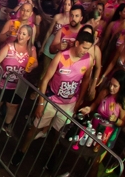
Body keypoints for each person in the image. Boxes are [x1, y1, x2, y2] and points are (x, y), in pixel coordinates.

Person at [14, 25, 96, 164]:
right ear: (77, 43)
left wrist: (79, 101)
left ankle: (52, 157)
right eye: (84, 47)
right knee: (35, 127)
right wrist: (41, 103)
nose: (85, 51)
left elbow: (86, 81)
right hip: (51, 99)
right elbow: (45, 80)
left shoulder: (88, 60)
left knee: (59, 134)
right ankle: (21, 151)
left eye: (88, 48)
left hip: (69, 105)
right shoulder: (61, 57)